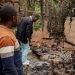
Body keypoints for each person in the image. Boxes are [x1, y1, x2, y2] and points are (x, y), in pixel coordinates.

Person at [0, 4, 23, 75]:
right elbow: (8, 68)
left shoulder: (3, 31)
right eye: (17, 16)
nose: (18, 19)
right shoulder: (6, 37)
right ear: (13, 18)